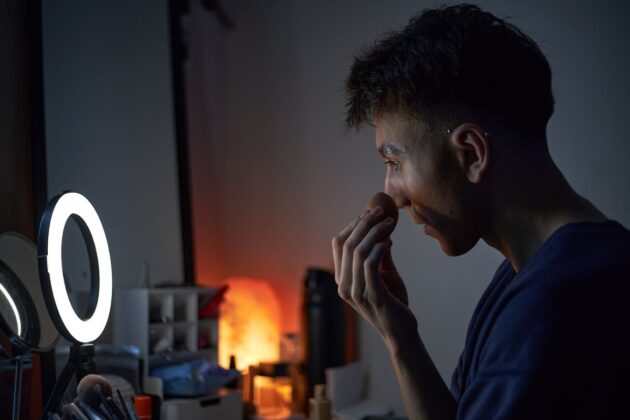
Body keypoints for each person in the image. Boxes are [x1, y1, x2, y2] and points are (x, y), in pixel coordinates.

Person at [331, 4, 630, 419]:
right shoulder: (529, 274)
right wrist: (398, 333)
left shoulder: (556, 303)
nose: (392, 196)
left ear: (471, 153)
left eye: (395, 162)